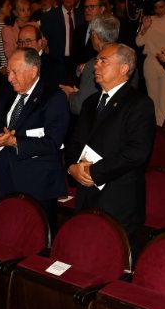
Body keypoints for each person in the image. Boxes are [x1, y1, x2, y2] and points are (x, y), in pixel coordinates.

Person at [66, 44, 155, 252]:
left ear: (124, 68)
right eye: (96, 60)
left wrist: (93, 172)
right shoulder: (90, 102)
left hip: (118, 200)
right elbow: (74, 142)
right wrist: (72, 167)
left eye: (102, 61)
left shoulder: (139, 104)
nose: (96, 65)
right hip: (86, 195)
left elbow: (136, 153)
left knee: (114, 261)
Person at [0, 48, 69, 233]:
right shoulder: (7, 93)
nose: (9, 78)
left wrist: (15, 142)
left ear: (33, 71)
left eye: (15, 72)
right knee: (9, 232)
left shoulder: (54, 97)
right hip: (7, 176)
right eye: (8, 72)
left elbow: (52, 143)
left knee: (38, 239)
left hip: (38, 183)